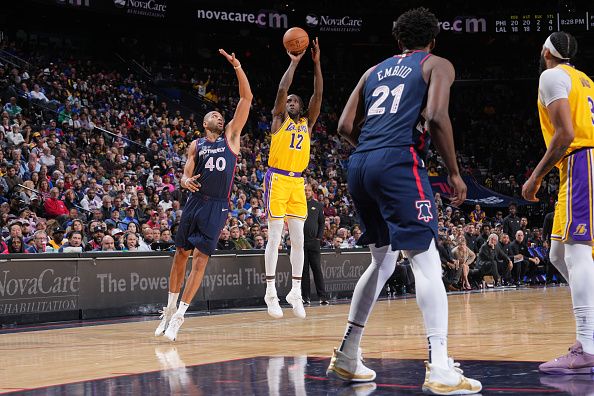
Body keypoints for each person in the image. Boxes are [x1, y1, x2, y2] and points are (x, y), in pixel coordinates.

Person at [325, 8, 481, 394]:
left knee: (382, 260)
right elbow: (436, 115)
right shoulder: (437, 64)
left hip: (360, 163)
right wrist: (454, 173)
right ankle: (441, 366)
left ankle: (347, 354)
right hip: (397, 161)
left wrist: (373, 151)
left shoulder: (372, 71)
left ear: (398, 40)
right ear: (434, 39)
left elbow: (345, 126)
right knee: (427, 262)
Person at [154, 49, 252, 341]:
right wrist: (184, 180)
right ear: (204, 122)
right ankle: (169, 310)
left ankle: (180, 317)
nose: (219, 118)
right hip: (195, 202)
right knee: (180, 255)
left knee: (200, 260)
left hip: (217, 206)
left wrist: (237, 66)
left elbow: (245, 99)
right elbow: (185, 172)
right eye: (214, 115)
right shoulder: (195, 145)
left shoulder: (231, 138)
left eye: (221, 116)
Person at [522, 31, 594, 374]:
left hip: (582, 160)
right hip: (576, 166)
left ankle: (588, 346)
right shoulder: (584, 79)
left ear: (545, 52)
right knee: (556, 253)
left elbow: (565, 133)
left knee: (578, 251)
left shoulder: (551, 75)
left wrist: (536, 176)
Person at [263, 38, 323, 319]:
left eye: (294, 101)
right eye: (287, 101)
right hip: (276, 180)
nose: (289, 102)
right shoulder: (279, 119)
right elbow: (282, 88)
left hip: (298, 182)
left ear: (301, 107)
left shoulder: (307, 124)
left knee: (298, 240)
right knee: (275, 237)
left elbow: (318, 96)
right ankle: (271, 292)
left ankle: (295, 291)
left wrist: (317, 63)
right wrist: (295, 62)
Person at [301, 183, 328, 305]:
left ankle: (322, 297)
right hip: (300, 243)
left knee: (317, 269)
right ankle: (305, 297)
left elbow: (322, 223)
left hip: (314, 242)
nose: (306, 192)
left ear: (312, 192)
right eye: (304, 190)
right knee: (303, 271)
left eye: (308, 190)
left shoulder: (317, 205)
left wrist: (319, 238)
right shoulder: (297, 205)